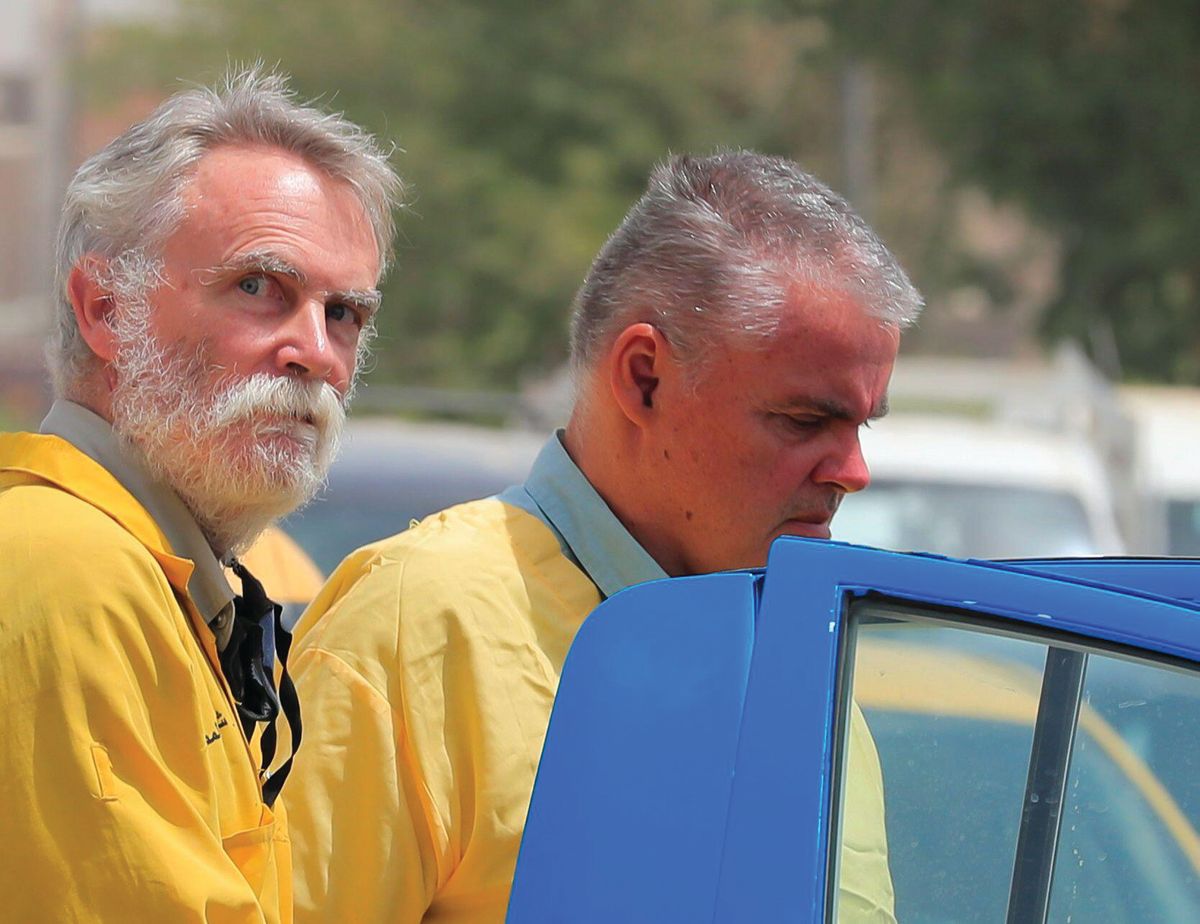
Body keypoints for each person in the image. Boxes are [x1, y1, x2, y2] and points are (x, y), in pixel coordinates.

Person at [287, 151, 922, 923]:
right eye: (805, 420)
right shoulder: (415, 626)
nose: (853, 469)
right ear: (645, 377)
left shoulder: (806, 661)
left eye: (860, 423)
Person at [0, 69, 402, 921]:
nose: (315, 353)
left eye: (345, 315)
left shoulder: (148, 569)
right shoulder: (67, 567)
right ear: (106, 308)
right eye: (259, 288)